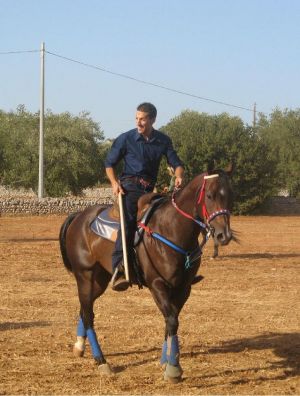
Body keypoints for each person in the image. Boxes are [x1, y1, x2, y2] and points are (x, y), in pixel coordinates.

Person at [105, 102, 184, 291]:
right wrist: (114, 183)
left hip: (150, 191)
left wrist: (179, 175)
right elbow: (109, 164)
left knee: (170, 217)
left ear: (153, 120)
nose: (138, 122)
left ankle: (174, 267)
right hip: (129, 189)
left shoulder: (163, 141)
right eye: (136, 118)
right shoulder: (126, 139)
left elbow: (176, 163)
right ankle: (119, 269)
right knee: (128, 222)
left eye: (142, 119)